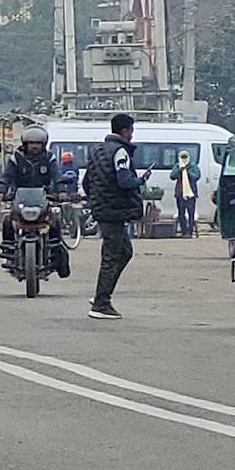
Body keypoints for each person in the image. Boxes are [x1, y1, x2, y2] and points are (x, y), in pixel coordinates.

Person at [85, 113, 147, 319]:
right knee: (111, 257)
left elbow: (87, 182)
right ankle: (101, 303)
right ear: (124, 131)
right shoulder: (121, 152)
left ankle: (102, 293)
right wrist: (139, 181)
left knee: (125, 252)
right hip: (114, 211)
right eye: (131, 130)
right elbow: (124, 181)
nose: (132, 134)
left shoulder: (97, 151)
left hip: (103, 209)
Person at [0, 124, 72, 278]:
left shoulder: (49, 158)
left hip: (43, 198)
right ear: (25, 144)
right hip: (20, 199)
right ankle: (9, 252)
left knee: (55, 223)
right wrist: (0, 192)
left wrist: (62, 192)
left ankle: (57, 257)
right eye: (31, 143)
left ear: (43, 145)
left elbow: (57, 175)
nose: (34, 146)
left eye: (38, 143)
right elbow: (7, 176)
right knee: (7, 222)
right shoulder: (16, 158)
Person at [169, 149, 200, 237]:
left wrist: (187, 172)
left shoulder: (193, 166)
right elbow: (172, 176)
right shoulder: (178, 166)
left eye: (185, 157)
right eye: (182, 157)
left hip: (191, 193)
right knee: (181, 213)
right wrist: (179, 170)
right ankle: (184, 231)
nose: (184, 158)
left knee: (191, 213)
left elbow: (197, 177)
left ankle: (190, 231)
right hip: (180, 193)